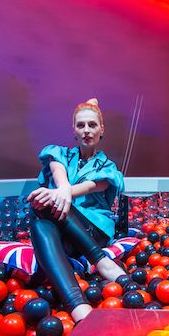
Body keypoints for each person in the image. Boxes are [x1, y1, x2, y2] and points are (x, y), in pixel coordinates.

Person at [27, 98, 126, 322]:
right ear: (74, 130)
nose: (86, 130)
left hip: (92, 231)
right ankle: (99, 270)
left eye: (92, 125)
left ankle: (77, 302)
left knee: (44, 204)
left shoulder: (107, 167)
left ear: (102, 129)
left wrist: (63, 194)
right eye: (81, 125)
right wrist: (61, 190)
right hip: (63, 231)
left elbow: (91, 186)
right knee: (40, 208)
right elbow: (58, 172)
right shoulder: (59, 154)